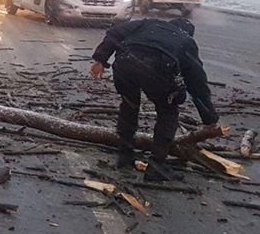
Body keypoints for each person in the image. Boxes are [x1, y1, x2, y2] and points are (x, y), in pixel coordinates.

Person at [89, 17, 219, 181]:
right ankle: (156, 166)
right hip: (156, 68)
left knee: (129, 105)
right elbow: (197, 82)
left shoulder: (149, 23)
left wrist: (100, 59)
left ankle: (125, 154)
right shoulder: (186, 41)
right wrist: (209, 118)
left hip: (125, 62)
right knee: (168, 112)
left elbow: (115, 33)